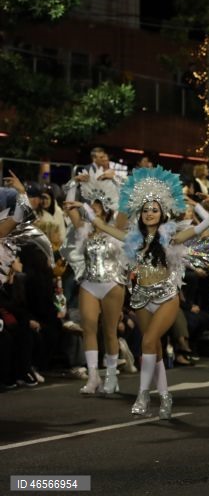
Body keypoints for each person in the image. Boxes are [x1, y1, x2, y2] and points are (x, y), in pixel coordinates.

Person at [86, 166, 209, 418]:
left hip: (166, 296)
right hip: (142, 297)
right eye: (145, 210)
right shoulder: (133, 238)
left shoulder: (172, 237)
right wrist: (89, 213)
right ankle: (165, 397)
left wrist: (199, 205)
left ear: (162, 212)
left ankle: (143, 395)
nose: (149, 214)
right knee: (152, 348)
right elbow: (103, 225)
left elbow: (206, 224)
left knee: (147, 342)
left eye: (154, 210)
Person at [62, 167, 127, 395]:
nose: (94, 208)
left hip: (112, 284)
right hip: (89, 283)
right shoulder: (84, 229)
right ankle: (92, 376)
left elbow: (127, 204)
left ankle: (111, 375)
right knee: (88, 329)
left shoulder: (117, 227)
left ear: (106, 207)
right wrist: (73, 184)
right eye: (93, 204)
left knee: (109, 332)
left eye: (98, 205)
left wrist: (117, 180)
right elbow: (69, 208)